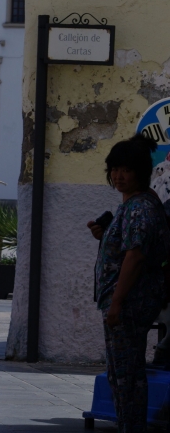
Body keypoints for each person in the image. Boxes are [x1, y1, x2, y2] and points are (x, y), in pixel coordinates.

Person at [88, 134, 169, 432]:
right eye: (114, 169)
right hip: (126, 303)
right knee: (122, 372)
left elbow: (135, 257)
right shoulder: (133, 205)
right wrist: (105, 233)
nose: (118, 176)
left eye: (126, 170)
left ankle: (131, 427)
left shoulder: (140, 208)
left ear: (140, 172)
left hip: (129, 305)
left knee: (126, 375)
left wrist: (117, 302)